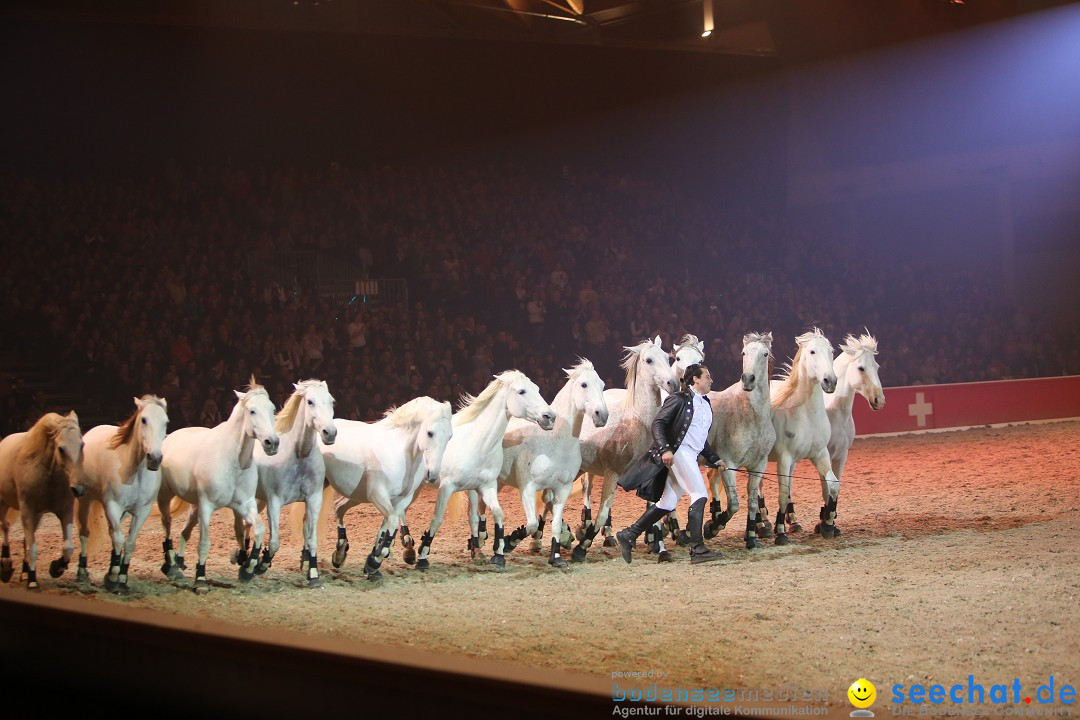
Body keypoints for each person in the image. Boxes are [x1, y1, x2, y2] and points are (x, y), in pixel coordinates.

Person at [616, 363, 722, 565]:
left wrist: (714, 458)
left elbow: (700, 439)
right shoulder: (679, 399)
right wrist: (665, 448)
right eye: (707, 376)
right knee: (699, 494)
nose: (711, 380)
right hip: (679, 453)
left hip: (690, 454)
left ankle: (629, 534)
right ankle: (697, 549)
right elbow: (658, 423)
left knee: (667, 503)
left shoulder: (706, 404)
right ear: (695, 379)